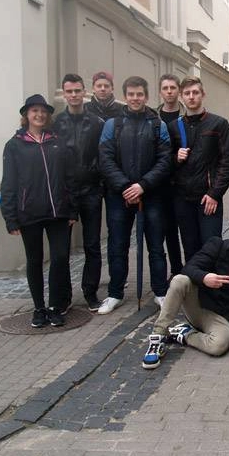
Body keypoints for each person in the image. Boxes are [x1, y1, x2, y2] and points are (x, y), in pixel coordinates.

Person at [142, 211, 229, 369]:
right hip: (201, 305)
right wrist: (205, 277)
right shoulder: (217, 245)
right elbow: (189, 268)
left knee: (219, 345)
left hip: (225, 317)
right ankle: (158, 336)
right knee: (180, 280)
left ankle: (184, 334)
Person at [0, 95, 76, 327]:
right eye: (35, 111)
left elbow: (70, 178)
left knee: (60, 258)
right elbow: (9, 183)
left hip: (58, 212)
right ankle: (39, 308)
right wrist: (10, 218)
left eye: (43, 111)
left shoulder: (57, 142)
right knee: (34, 260)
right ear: (27, 115)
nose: (39, 115)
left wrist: (72, 209)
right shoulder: (14, 145)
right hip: (29, 213)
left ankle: (55, 306)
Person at [98, 76, 171, 315]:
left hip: (151, 194)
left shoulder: (158, 125)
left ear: (146, 96)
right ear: (125, 96)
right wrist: (125, 187)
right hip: (119, 196)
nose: (135, 98)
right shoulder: (113, 124)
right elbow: (105, 159)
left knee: (156, 246)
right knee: (117, 246)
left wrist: (143, 185)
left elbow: (164, 160)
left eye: (139, 94)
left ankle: (160, 291)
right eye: (131, 94)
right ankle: (115, 293)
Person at [52, 74, 105, 311]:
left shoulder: (97, 123)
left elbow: (103, 155)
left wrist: (98, 181)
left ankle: (90, 292)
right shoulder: (56, 124)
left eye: (77, 91)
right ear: (64, 94)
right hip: (65, 193)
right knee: (62, 249)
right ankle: (64, 297)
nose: (73, 95)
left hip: (91, 191)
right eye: (69, 91)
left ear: (84, 92)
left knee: (92, 245)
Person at [168, 76, 229, 259]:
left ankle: (212, 279)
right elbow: (164, 162)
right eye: (187, 93)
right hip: (183, 197)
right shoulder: (174, 127)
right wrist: (175, 158)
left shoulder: (218, 124)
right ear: (181, 96)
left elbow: (227, 161)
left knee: (212, 248)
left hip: (208, 198)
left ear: (203, 94)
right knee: (190, 248)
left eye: (195, 92)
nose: (191, 97)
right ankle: (192, 278)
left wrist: (215, 193)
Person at [157, 73, 186, 277]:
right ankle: (175, 269)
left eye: (173, 88)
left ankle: (190, 271)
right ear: (160, 92)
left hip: (183, 181)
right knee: (168, 230)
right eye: (165, 88)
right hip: (161, 183)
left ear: (179, 91)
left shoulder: (186, 115)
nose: (169, 92)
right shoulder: (153, 117)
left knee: (186, 229)